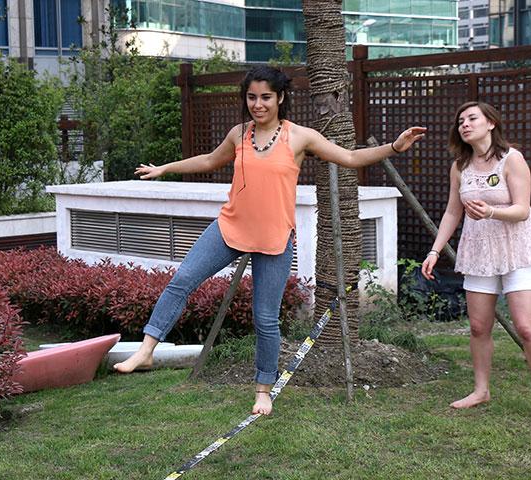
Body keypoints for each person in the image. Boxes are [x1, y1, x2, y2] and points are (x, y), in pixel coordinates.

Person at [113, 65, 426, 415]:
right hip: (230, 226)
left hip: (274, 236)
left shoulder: (299, 137)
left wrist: (395, 147)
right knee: (182, 280)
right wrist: (166, 168)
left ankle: (263, 389)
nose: (257, 104)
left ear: (280, 98)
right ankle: (145, 351)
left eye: (265, 97)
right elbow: (209, 160)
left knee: (265, 318)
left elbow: (351, 158)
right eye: (251, 97)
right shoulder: (239, 134)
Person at [421, 101, 531, 421]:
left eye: (472, 118)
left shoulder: (512, 159)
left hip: (518, 249)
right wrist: (434, 251)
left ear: (491, 123)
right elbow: (453, 212)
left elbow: (522, 209)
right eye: (460, 121)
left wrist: (491, 212)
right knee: (479, 326)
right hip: (478, 251)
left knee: (526, 326)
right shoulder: (460, 166)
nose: (464, 124)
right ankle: (481, 391)